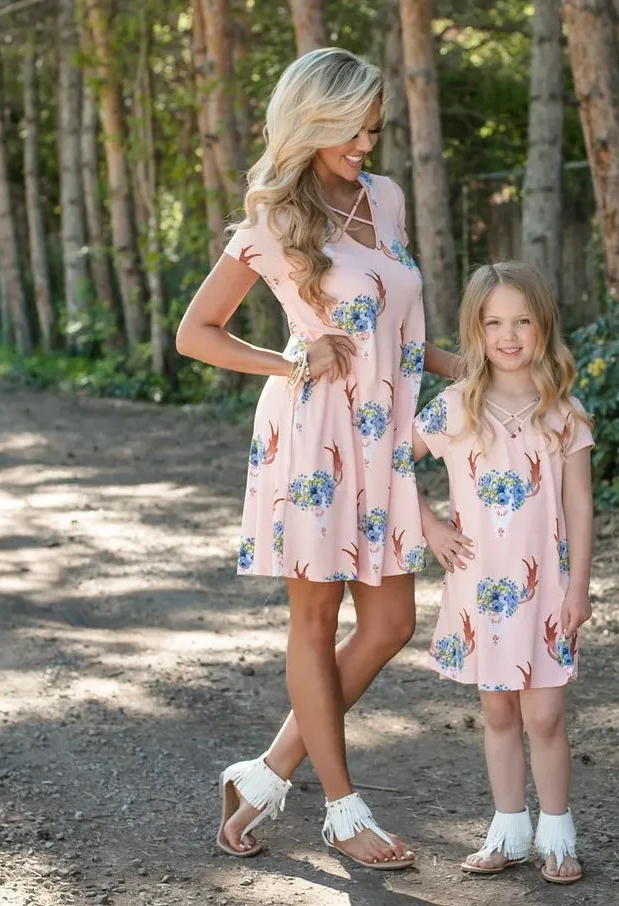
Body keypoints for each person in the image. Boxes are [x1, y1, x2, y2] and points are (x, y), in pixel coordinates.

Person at [176, 47, 459, 870]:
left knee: (392, 622)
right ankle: (341, 809)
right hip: (311, 438)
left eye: (375, 129)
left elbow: (404, 333)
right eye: (353, 130)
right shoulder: (271, 216)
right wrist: (293, 358)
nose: (366, 144)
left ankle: (264, 777)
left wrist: (476, 368)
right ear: (315, 122)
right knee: (317, 619)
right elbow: (196, 333)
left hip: (383, 438)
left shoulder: (387, 199)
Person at [412, 261, 594, 884]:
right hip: (480, 587)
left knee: (544, 715)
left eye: (522, 321)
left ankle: (558, 836)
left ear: (543, 325)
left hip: (545, 588)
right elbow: (386, 464)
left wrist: (579, 587)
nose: (509, 335)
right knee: (497, 715)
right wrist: (430, 525)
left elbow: (578, 504)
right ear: (475, 330)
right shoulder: (456, 408)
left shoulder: (563, 411)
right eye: (494, 323)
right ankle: (509, 830)